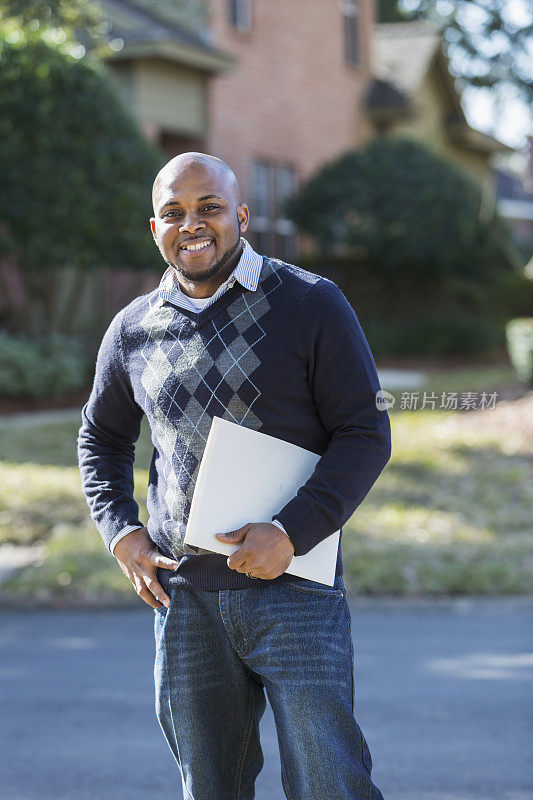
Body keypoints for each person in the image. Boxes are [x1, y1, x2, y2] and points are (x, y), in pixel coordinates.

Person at [78, 152, 391, 800]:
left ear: (241, 216)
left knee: (329, 781)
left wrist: (290, 531)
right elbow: (101, 439)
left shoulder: (310, 303)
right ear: (154, 227)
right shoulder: (132, 328)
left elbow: (364, 432)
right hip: (184, 598)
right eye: (173, 213)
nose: (190, 224)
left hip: (294, 589)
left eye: (208, 208)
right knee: (210, 788)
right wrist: (120, 533)